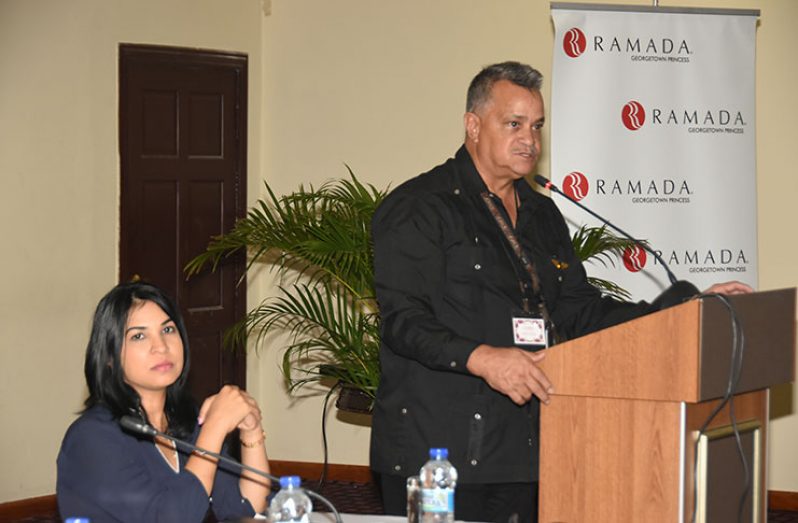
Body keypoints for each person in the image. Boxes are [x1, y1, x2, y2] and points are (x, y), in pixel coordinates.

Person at [368, 61, 751, 522]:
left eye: (536, 126)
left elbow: (577, 310)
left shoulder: (541, 213)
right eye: (513, 124)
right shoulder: (419, 207)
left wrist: (684, 308)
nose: (529, 139)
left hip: (525, 447)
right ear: (473, 125)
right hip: (439, 452)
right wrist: (482, 357)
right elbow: (403, 321)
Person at [57, 281, 271, 522]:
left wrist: (251, 432)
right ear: (109, 357)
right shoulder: (91, 438)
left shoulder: (189, 421)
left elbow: (245, 508)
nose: (161, 346)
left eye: (168, 330)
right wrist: (215, 428)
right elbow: (170, 517)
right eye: (139, 336)